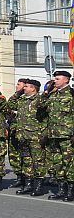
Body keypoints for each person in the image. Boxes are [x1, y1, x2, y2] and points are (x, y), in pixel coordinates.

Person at [6, 79, 46, 196]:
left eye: (27, 86)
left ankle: (38, 186)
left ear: (33, 88)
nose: (24, 88)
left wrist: (43, 134)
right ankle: (28, 185)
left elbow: (45, 118)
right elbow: (9, 105)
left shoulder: (40, 100)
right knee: (27, 161)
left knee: (38, 161)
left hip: (35, 136)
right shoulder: (22, 99)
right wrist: (17, 93)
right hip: (23, 136)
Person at [39, 70, 74, 200]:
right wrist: (46, 92)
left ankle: (70, 191)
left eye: (58, 79)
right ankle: (61, 190)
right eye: (55, 79)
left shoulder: (71, 94)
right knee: (57, 163)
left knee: (69, 163)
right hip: (53, 135)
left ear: (66, 80)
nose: (55, 81)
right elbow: (40, 106)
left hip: (67, 136)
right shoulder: (53, 96)